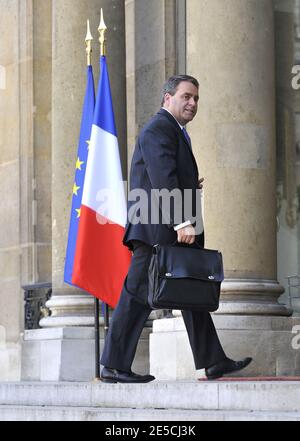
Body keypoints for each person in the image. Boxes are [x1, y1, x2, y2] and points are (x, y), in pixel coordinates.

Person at [100, 75, 252, 383]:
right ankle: (114, 367)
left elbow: (167, 175)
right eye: (186, 96)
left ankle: (213, 361)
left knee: (191, 289)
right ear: (167, 98)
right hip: (158, 231)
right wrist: (181, 220)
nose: (193, 103)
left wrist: (189, 190)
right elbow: (161, 175)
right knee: (137, 295)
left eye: (196, 98)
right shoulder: (160, 127)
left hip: (166, 228)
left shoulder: (175, 132)